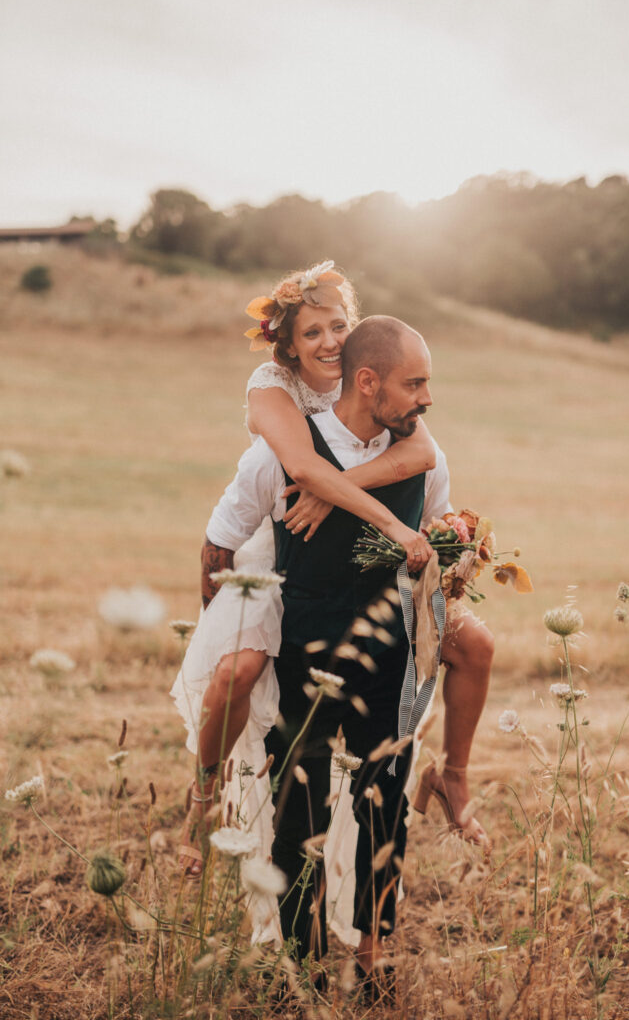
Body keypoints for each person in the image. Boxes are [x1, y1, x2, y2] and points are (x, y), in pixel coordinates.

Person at [171, 262, 493, 879]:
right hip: (279, 552)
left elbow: (424, 451)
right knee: (237, 670)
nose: (329, 342)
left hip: (360, 557)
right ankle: (203, 796)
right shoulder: (272, 389)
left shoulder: (377, 382)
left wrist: (349, 496)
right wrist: (214, 615)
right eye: (312, 332)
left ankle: (449, 776)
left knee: (474, 641)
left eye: (339, 326)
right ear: (287, 344)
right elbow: (299, 471)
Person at [201, 314, 450, 982]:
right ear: (368, 382)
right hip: (302, 653)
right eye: (415, 383)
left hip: (390, 656)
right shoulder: (279, 453)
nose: (427, 398)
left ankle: (371, 960)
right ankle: (299, 963)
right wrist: (225, 636)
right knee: (297, 808)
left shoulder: (427, 459)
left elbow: (433, 546)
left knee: (385, 800)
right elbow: (220, 540)